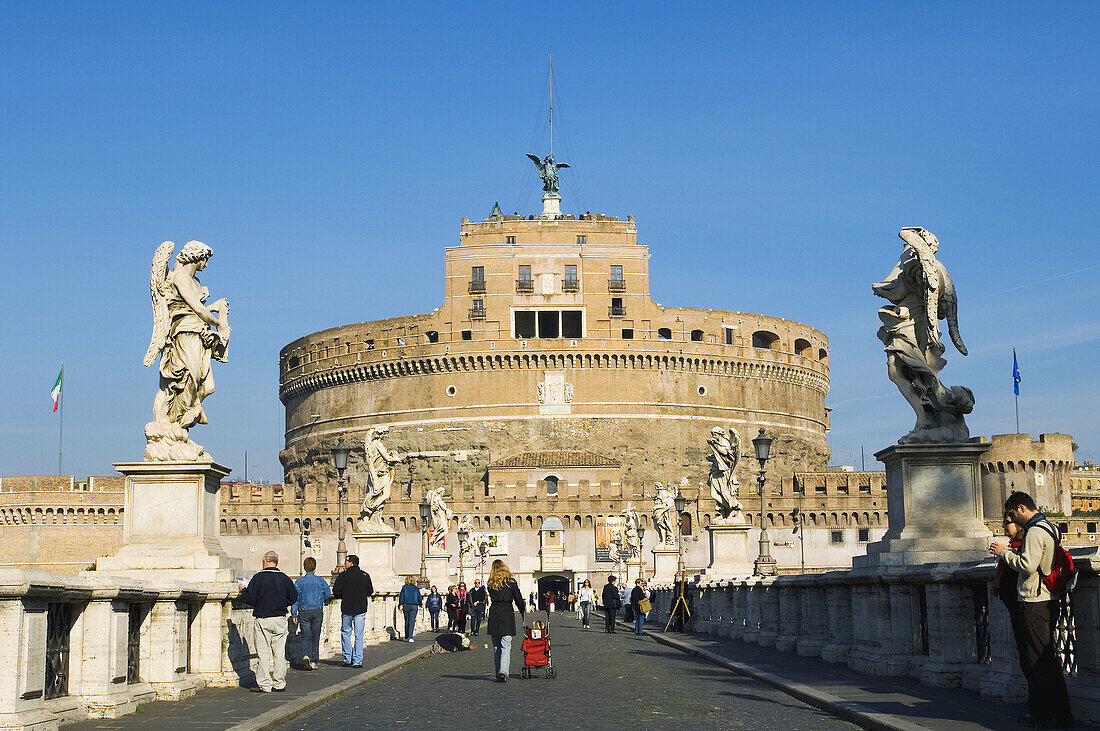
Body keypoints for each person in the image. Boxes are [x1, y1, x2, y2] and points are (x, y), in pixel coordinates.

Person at [990, 491, 1074, 728]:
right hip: (1046, 598)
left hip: (1035, 601)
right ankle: (1048, 712)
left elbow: (1028, 565)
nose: (1013, 519)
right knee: (1040, 659)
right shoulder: (1050, 527)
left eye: (1013, 513)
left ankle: (1059, 715)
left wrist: (1004, 553)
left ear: (1021, 508)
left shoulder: (1036, 531)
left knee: (1041, 661)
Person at [238, 550, 297, 693]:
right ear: (276, 563)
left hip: (263, 618)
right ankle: (279, 683)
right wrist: (283, 603)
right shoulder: (285, 578)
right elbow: (294, 597)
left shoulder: (258, 578)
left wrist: (243, 590)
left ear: (264, 562)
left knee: (263, 653)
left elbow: (250, 599)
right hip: (280, 618)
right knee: (279, 653)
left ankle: (265, 684)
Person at [486, 559, 526, 682]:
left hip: (494, 613)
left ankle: (499, 671)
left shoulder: (490, 584)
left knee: (496, 646)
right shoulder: (511, 583)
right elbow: (518, 599)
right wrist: (522, 610)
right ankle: (503, 671)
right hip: (507, 613)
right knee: (506, 645)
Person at [331, 554, 374, 668]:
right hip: (360, 608)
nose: (345, 563)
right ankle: (357, 660)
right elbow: (370, 591)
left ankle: (347, 657)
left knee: (346, 633)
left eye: (346, 561)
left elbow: (336, 591)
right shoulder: (365, 575)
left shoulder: (343, 576)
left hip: (347, 608)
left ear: (350, 563)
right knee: (359, 635)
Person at [291, 556, 331, 671]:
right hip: (317, 610)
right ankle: (313, 660)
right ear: (315, 568)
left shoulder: (299, 581)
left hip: (304, 611)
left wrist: (294, 614)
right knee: (315, 636)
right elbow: (328, 594)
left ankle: (306, 655)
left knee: (305, 635)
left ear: (304, 568)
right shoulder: (320, 581)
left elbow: (295, 599)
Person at [398, 575, 423, 642]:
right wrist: (420, 604)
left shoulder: (404, 588)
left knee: (407, 621)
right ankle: (410, 637)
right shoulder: (416, 588)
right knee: (412, 621)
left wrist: (400, 604)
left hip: (406, 605)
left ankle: (406, 636)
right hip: (414, 605)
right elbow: (419, 597)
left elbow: (402, 597)